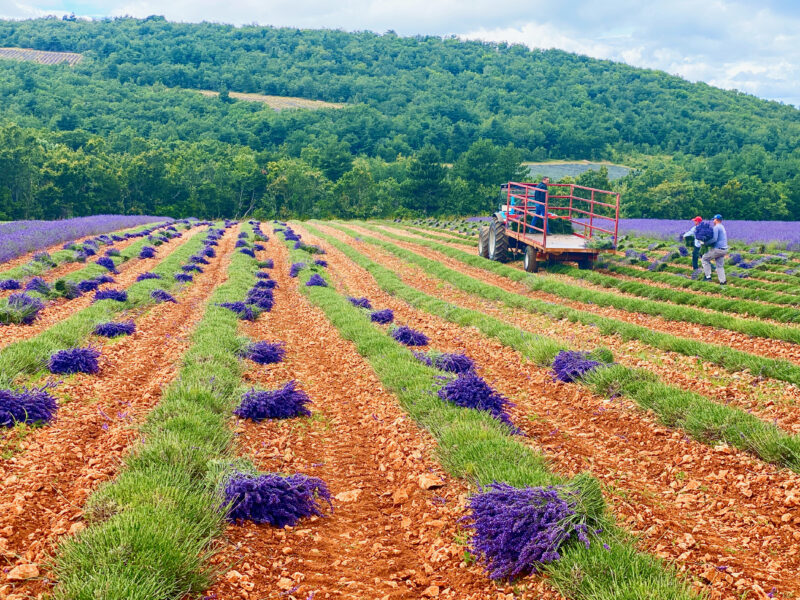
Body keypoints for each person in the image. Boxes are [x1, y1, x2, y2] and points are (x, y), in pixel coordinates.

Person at [701, 214, 728, 285]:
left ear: (716, 220)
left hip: (718, 249)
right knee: (719, 266)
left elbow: (714, 239)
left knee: (704, 258)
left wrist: (705, 243)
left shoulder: (716, 227)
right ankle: (723, 281)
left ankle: (708, 277)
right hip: (724, 249)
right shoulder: (722, 227)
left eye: (714, 219)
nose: (713, 221)